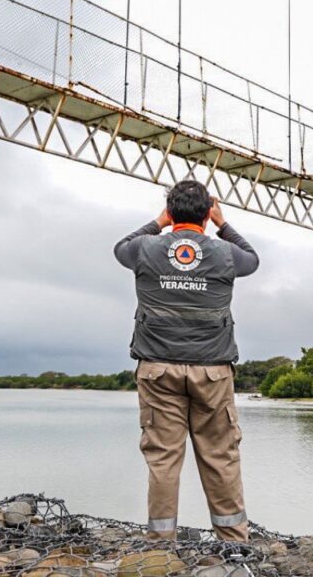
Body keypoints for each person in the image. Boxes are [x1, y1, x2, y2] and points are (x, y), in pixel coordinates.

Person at [114, 180, 259, 541]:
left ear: (170, 211)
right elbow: (252, 259)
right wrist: (223, 224)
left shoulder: (145, 249)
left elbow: (119, 248)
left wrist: (158, 222)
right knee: (220, 456)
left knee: (163, 459)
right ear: (208, 212)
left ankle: (161, 545)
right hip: (212, 372)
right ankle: (233, 544)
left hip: (157, 370)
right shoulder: (225, 253)